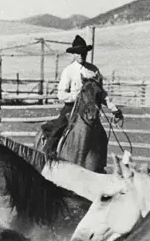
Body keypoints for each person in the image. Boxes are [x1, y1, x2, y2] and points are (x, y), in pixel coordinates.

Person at [40, 35, 123, 169]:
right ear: (74, 54)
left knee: (101, 134)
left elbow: (101, 93)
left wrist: (113, 108)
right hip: (72, 107)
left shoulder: (94, 70)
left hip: (91, 108)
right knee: (59, 127)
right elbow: (61, 94)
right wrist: (77, 97)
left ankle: (99, 165)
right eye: (78, 52)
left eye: (83, 52)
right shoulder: (68, 71)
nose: (81, 55)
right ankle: (49, 156)